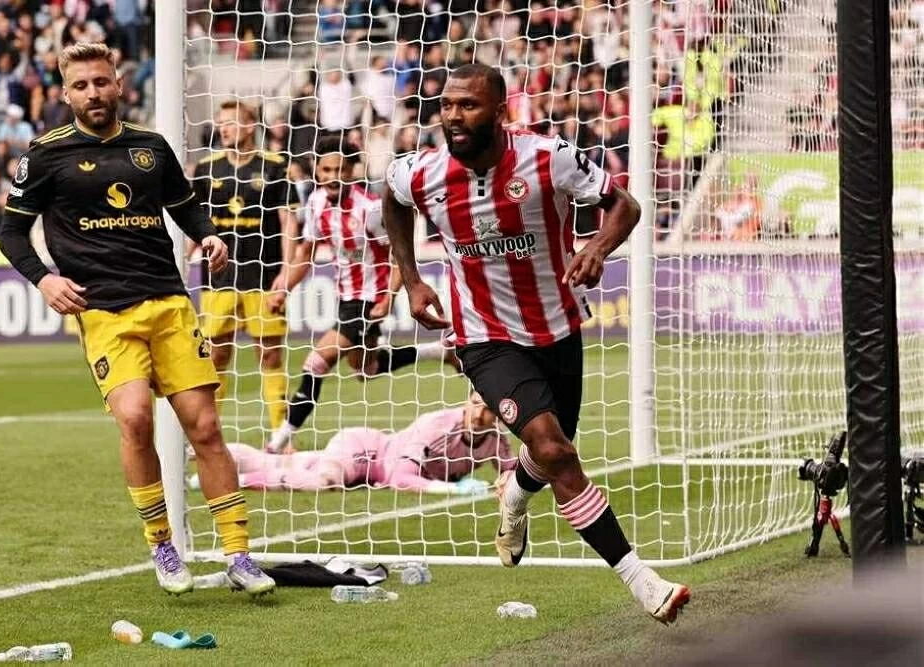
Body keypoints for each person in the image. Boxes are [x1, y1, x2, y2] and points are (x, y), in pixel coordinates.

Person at [382, 63, 691, 624]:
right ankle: (643, 582)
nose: (453, 116)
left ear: (500, 112)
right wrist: (411, 277)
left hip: (557, 327)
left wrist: (597, 247)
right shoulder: (422, 172)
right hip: (484, 336)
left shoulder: (549, 158)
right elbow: (392, 198)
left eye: (468, 105)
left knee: (550, 452)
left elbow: (625, 205)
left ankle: (515, 495)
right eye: (447, 105)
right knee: (555, 452)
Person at [0, 42, 274, 598]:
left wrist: (207, 235)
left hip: (168, 302)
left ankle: (238, 555)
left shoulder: (151, 147)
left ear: (119, 84)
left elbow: (184, 205)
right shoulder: (45, 155)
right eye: (81, 86)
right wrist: (45, 279)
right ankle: (161, 544)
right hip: (103, 309)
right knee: (135, 419)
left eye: (101, 82)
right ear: (66, 94)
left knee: (205, 427)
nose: (93, 93)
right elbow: (11, 233)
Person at [263, 137, 456, 454]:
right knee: (366, 369)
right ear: (316, 171)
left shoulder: (370, 208)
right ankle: (439, 351)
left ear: (352, 170)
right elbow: (306, 252)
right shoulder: (315, 204)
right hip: (345, 297)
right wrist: (284, 288)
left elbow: (399, 253)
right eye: (326, 170)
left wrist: (389, 297)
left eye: (339, 169)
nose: (332, 176)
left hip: (369, 300)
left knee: (316, 363)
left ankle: (278, 442)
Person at [192, 99, 300, 430]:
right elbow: (194, 221)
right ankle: (209, 433)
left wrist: (286, 271)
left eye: (230, 122)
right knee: (215, 355)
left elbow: (288, 221)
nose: (223, 129)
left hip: (264, 275)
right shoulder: (206, 169)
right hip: (218, 277)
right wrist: (181, 259)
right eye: (220, 123)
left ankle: (280, 434)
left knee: (270, 354)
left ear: (250, 126)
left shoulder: (275, 166)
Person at [195, 393, 515, 493]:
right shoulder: (438, 426)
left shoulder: (496, 439)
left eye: (487, 409)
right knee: (325, 482)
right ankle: (233, 479)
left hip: (365, 466)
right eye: (474, 403)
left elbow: (510, 470)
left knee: (282, 462)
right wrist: (454, 489)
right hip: (366, 452)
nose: (478, 414)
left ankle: (214, 460)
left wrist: (509, 481)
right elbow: (399, 477)